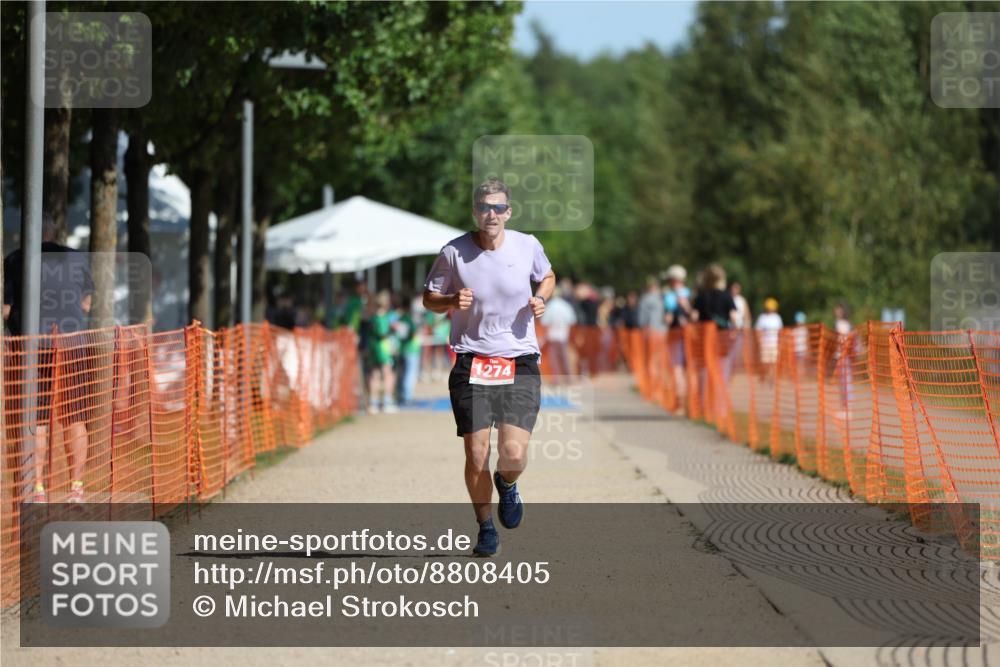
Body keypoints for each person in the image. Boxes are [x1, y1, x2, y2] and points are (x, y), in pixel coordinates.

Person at [423, 178, 555, 557]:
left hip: (519, 359)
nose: (491, 214)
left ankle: (507, 484)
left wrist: (540, 297)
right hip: (472, 359)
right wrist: (450, 298)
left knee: (513, 453)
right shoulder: (454, 253)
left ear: (508, 212)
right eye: (485, 207)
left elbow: (547, 275)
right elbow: (428, 297)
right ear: (475, 212)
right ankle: (485, 528)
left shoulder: (527, 245)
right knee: (477, 454)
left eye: (499, 207)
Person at [3, 214, 93, 503]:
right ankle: (76, 488)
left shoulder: (15, 260)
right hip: (72, 345)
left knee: (37, 419)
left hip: (33, 348)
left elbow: (6, 310)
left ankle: (37, 490)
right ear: (54, 233)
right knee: (75, 416)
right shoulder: (77, 259)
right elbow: (87, 303)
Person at [663, 265, 693, 415]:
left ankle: (682, 404)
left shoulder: (670, 296)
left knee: (678, 369)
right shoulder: (690, 293)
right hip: (690, 336)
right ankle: (687, 404)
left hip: (677, 336)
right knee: (687, 369)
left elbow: (667, 319)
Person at [365, 290, 399, 414]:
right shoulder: (383, 317)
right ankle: (387, 401)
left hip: (373, 347)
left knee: (375, 374)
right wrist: (392, 329)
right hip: (383, 348)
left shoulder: (373, 317)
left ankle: (373, 403)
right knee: (387, 374)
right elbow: (383, 333)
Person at [540, 285, 577, 381]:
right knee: (564, 358)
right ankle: (568, 379)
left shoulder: (550, 306)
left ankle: (556, 380)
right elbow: (572, 320)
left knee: (554, 359)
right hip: (563, 335)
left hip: (553, 336)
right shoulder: (566, 305)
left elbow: (545, 321)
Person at [755, 297, 783, 381]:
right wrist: (759, 341)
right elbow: (758, 330)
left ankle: (772, 377)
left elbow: (780, 331)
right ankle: (764, 375)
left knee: (774, 362)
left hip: (774, 343)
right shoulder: (762, 318)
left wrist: (780, 342)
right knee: (765, 362)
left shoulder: (777, 318)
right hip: (765, 343)